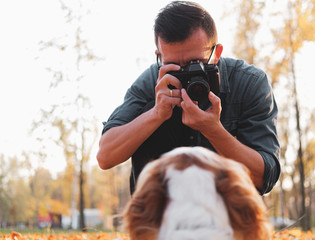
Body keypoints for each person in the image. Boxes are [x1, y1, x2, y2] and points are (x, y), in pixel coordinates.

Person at [97, 1, 280, 195]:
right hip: (158, 218)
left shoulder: (248, 83)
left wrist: (214, 130)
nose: (187, 75)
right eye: (174, 66)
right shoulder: (151, 81)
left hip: (227, 217)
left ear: (216, 53)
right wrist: (156, 114)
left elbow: (265, 178)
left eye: (196, 64)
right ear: (159, 57)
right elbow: (105, 157)